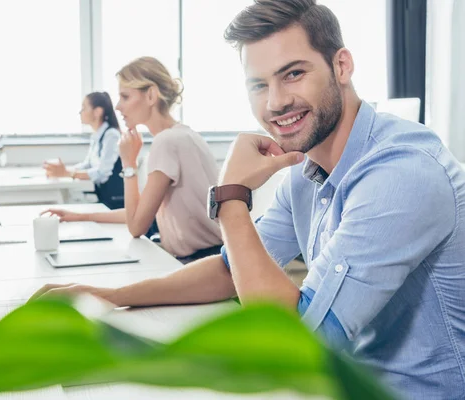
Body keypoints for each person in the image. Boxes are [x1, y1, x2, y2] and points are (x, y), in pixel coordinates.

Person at [32, 1, 465, 398]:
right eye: (258, 84)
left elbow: (302, 338)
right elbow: (228, 269)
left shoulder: (402, 172)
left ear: (342, 65)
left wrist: (232, 195)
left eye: (293, 73)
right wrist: (108, 294)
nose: (275, 102)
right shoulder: (305, 169)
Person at [43, 56, 222, 263]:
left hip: (199, 262)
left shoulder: (167, 142)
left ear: (151, 95)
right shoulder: (181, 135)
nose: (118, 107)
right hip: (208, 257)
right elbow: (139, 212)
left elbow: (136, 226)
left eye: (125, 97)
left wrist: (128, 164)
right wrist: (81, 216)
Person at [43, 92, 124, 209]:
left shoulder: (111, 135)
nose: (80, 112)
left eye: (84, 108)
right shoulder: (97, 135)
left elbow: (102, 173)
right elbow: (88, 164)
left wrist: (68, 174)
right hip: (102, 195)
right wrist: (63, 170)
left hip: (114, 200)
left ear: (97, 112)